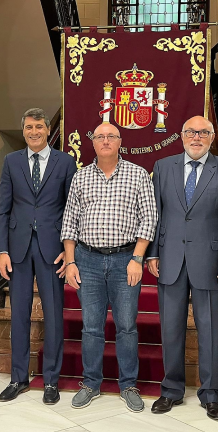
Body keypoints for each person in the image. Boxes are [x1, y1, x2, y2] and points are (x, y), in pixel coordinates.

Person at [147, 115, 218, 421]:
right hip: (170, 260)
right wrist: (152, 253)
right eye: (190, 131)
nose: (196, 137)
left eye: (203, 132)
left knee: (211, 330)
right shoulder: (164, 167)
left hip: (212, 263)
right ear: (181, 135)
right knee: (171, 329)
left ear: (211, 136)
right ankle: (171, 389)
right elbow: (156, 214)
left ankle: (211, 393)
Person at [61, 123, 157, 412]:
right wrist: (70, 261)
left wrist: (137, 259)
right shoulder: (81, 177)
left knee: (126, 327)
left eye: (110, 136)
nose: (105, 140)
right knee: (91, 328)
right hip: (87, 261)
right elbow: (69, 223)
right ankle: (91, 383)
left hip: (124, 260)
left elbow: (148, 219)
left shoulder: (138, 174)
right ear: (92, 142)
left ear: (120, 142)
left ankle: (128, 384)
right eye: (99, 136)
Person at [0, 108, 76, 405]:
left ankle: (51, 380)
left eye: (39, 126)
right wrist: (2, 250)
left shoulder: (65, 162)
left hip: (52, 249)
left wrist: (70, 252)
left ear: (47, 130)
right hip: (17, 249)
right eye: (28, 127)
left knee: (54, 315)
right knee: (19, 314)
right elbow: (3, 209)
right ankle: (18, 378)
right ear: (24, 129)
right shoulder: (11, 161)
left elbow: (72, 210)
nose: (33, 132)